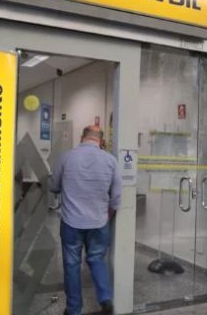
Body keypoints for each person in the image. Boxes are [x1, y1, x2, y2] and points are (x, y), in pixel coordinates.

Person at [51, 125, 123, 315]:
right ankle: (105, 299)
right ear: (101, 140)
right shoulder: (111, 160)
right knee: (97, 259)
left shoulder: (67, 157)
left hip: (71, 222)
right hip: (99, 222)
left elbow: (54, 186)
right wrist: (109, 213)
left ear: (82, 137)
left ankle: (74, 310)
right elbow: (117, 196)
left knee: (72, 266)